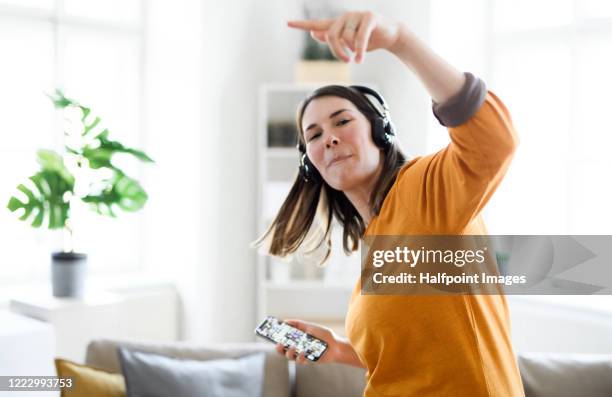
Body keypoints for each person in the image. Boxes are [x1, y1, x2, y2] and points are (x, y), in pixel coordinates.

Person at [253, 10, 524, 397]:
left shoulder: (426, 191)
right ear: (308, 162)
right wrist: (341, 350)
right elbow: (415, 355)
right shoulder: (374, 244)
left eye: (342, 122)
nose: (328, 138)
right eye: (313, 134)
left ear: (381, 131)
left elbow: (494, 141)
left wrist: (400, 40)